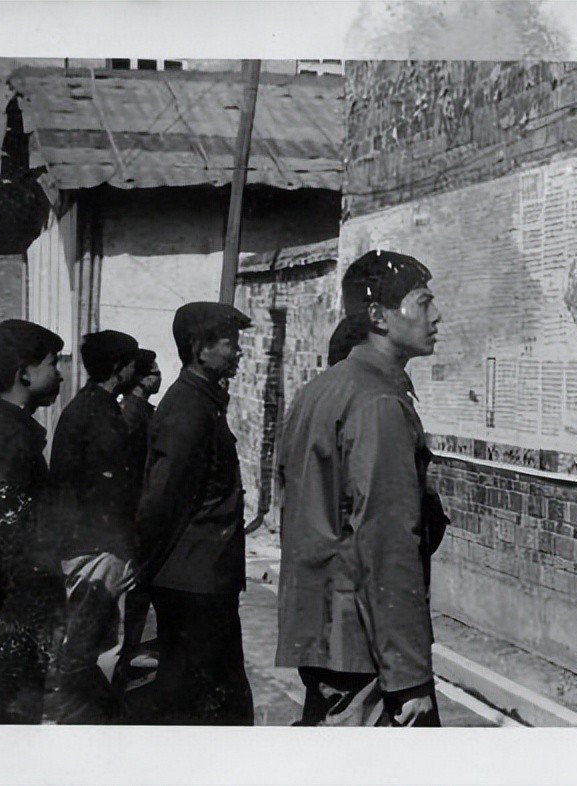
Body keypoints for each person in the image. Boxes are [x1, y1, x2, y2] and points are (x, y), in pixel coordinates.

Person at [276, 249, 448, 727]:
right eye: (423, 302)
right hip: (367, 650)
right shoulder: (377, 404)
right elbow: (387, 544)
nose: (436, 315)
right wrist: (410, 677)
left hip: (326, 639)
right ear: (378, 315)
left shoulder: (321, 389)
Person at [135, 302, 255, 725]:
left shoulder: (202, 401)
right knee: (201, 699)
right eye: (231, 343)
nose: (238, 352)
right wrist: (142, 567)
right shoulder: (188, 408)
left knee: (204, 694)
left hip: (204, 576)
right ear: (200, 349)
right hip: (194, 582)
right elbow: (163, 497)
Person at [0, 320, 65, 723]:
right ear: (24, 373)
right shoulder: (7, 440)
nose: (59, 373)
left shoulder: (8, 431)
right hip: (7, 620)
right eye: (52, 363)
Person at [48, 329, 141, 723]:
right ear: (119, 369)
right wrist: (125, 546)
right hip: (98, 548)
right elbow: (111, 491)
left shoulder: (87, 407)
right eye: (133, 361)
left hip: (84, 543)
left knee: (86, 641)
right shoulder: (101, 415)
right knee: (92, 644)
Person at [113, 348, 162, 691]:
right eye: (155, 372)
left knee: (138, 597)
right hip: (134, 517)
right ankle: (122, 661)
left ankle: (127, 655)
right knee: (132, 597)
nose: (159, 377)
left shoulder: (143, 412)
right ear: (143, 379)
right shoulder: (132, 415)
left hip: (139, 517)